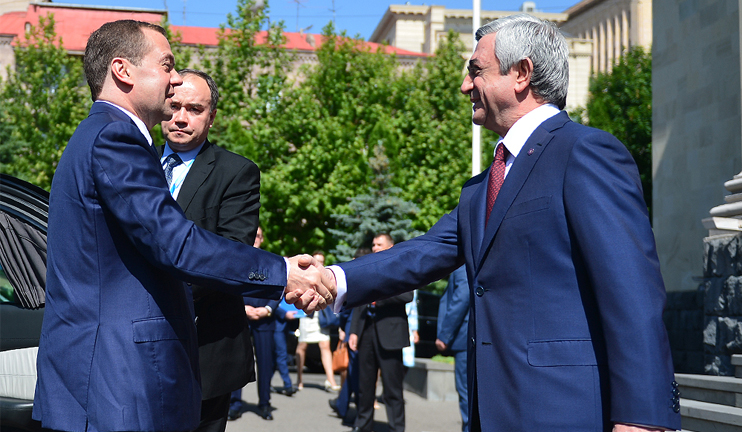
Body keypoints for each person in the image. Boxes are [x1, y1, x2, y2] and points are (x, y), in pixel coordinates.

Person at [327, 14, 681, 432]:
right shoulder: (481, 188)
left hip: (564, 411)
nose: (464, 85)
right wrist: (335, 278)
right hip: (493, 410)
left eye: (476, 71)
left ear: (521, 74)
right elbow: (424, 252)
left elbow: (632, 290)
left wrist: (642, 417)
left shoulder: (585, 153)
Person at [32, 20, 333, 432]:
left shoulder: (97, 134)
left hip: (103, 379)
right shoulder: (116, 138)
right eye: (167, 65)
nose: (175, 81)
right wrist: (281, 273)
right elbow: (176, 245)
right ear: (123, 70)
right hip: (117, 382)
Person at [157, 68, 259, 432]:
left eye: (195, 109)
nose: (181, 118)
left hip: (205, 349)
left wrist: (154, 293)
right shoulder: (135, 163)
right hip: (132, 350)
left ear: (211, 116)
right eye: (173, 106)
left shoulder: (236, 172)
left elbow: (232, 255)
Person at [347, 233, 412, 432]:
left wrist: (377, 296)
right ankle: (363, 424)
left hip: (390, 334)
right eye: (373, 244)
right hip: (367, 332)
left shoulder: (399, 266)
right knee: (365, 384)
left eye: (379, 244)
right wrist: (354, 331)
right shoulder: (367, 267)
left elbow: (407, 295)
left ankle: (396, 427)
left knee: (392, 388)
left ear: (391, 246)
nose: (375, 248)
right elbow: (359, 301)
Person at [228, 227, 279, 421]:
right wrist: (243, 308)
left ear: (262, 239)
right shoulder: (236, 258)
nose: (255, 239)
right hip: (240, 317)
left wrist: (267, 309)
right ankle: (234, 404)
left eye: (258, 236)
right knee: (236, 362)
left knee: (265, 364)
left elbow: (279, 289)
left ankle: (265, 404)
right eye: (253, 235)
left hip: (264, 319)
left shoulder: (271, 260)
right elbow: (229, 286)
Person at [329, 247, 371, 427]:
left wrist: (343, 327)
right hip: (359, 330)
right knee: (356, 372)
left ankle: (349, 410)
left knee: (356, 374)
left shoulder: (355, 277)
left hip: (354, 330)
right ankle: (343, 405)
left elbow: (346, 307)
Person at [295, 251, 341, 392]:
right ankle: (299, 378)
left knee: (325, 346)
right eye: (317, 260)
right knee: (302, 346)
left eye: (321, 261)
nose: (319, 263)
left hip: (322, 317)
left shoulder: (327, 276)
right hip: (307, 314)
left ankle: (331, 379)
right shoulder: (304, 275)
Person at [436, 266, 469, 431]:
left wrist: (445, 334)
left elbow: (462, 297)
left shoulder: (464, 266)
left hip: (464, 339)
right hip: (467, 339)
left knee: (466, 393)